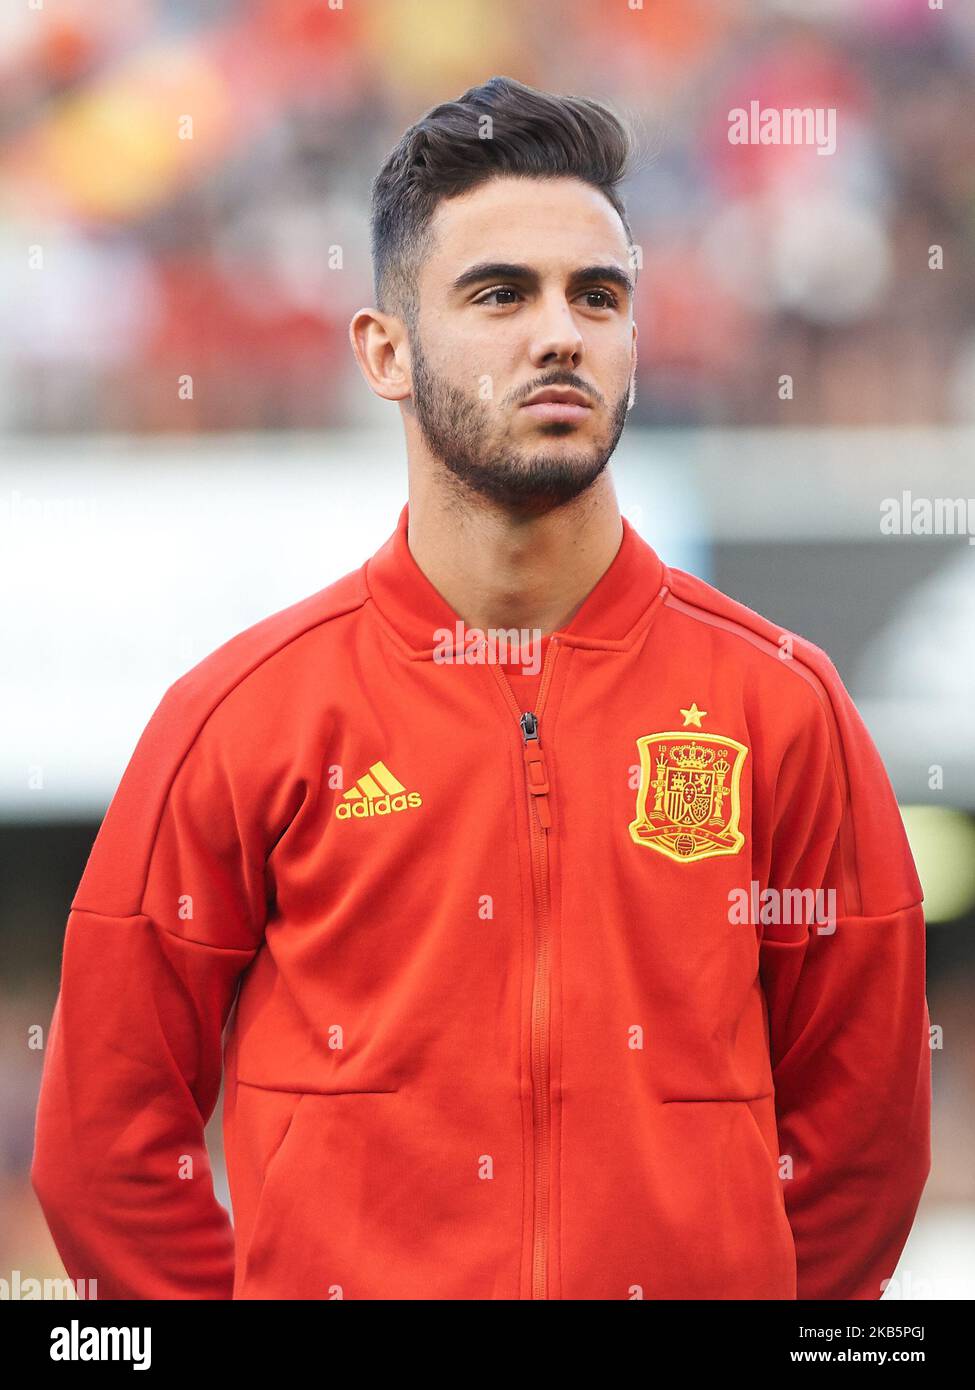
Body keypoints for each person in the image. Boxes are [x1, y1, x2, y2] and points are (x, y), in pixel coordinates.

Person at [31, 75, 931, 1301]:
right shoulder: (239, 717)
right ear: (385, 350)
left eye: (597, 296)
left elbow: (860, 1148)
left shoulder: (782, 704)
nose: (560, 331)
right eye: (500, 294)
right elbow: (106, 1147)